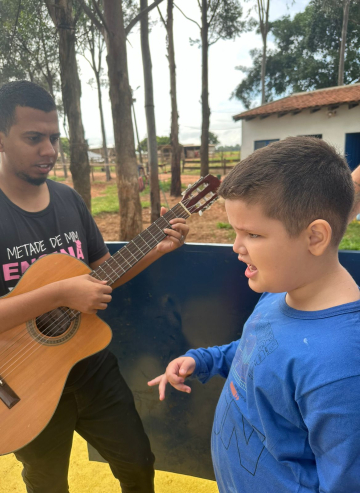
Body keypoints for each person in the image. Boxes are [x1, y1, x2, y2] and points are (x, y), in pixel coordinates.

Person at [0, 80, 189, 493]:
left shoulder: (69, 200)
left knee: (138, 464)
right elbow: (69, 290)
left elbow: (102, 272)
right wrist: (61, 293)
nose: (50, 150)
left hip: (91, 366)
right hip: (23, 381)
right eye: (34, 138)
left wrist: (157, 249)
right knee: (47, 485)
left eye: (54, 137)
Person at [149, 136, 360, 493]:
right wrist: (202, 360)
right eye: (235, 231)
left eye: (253, 233)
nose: (236, 247)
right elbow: (257, 351)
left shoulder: (341, 367)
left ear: (314, 238)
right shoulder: (279, 290)